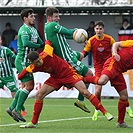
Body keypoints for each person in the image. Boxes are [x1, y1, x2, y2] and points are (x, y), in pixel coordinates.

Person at [17, 40, 113, 127]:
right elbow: (24, 72)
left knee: (85, 92)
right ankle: (34, 123)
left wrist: (44, 42)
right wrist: (20, 78)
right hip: (55, 78)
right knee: (39, 95)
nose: (40, 62)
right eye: (37, 62)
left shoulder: (46, 53)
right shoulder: (32, 67)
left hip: (68, 73)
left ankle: (105, 113)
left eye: (39, 59)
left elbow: (49, 41)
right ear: (32, 62)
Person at [80, 20, 133, 121]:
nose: (99, 30)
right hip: (111, 64)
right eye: (97, 28)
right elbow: (116, 45)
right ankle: (80, 79)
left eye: (100, 29)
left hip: (118, 70)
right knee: (100, 84)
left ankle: (121, 122)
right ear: (95, 29)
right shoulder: (91, 40)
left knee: (124, 96)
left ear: (103, 29)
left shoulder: (108, 39)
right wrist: (114, 54)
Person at [44, 7, 93, 113]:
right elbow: (69, 32)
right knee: (89, 74)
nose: (58, 18)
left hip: (70, 53)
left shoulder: (50, 27)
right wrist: (78, 31)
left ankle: (73, 84)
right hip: (66, 58)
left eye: (58, 16)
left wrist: (81, 37)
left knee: (81, 55)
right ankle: (80, 97)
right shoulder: (52, 25)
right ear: (49, 17)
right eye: (56, 16)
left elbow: (69, 35)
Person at [6, 8, 44, 122]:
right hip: (22, 61)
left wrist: (42, 43)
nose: (34, 18)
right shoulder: (23, 30)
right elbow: (27, 42)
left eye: (34, 16)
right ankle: (17, 110)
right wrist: (40, 44)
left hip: (28, 61)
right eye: (31, 16)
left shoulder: (34, 30)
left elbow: (41, 41)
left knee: (24, 87)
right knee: (29, 86)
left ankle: (11, 107)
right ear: (25, 18)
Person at [0, 34, 26, 118]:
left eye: (0, 39)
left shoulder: (6, 50)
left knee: (15, 94)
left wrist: (20, 67)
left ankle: (22, 109)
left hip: (8, 76)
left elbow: (16, 58)